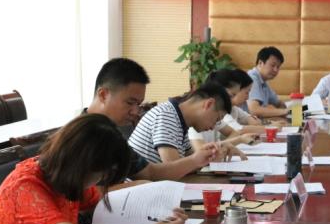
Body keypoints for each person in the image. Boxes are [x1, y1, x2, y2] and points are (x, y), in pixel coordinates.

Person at [0, 114, 184, 224]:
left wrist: (157, 207)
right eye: (102, 174)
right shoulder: (25, 188)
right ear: (82, 166)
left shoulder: (63, 173)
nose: (102, 180)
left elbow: (100, 199)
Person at [85, 58, 219, 181]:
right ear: (103, 95)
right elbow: (88, 194)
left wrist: (197, 159)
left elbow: (150, 172)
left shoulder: (114, 136)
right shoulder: (81, 136)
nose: (135, 111)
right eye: (130, 102)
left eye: (138, 104)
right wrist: (138, 186)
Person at [129, 81, 232, 164]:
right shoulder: (166, 115)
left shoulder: (180, 121)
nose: (213, 127)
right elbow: (172, 167)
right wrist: (206, 159)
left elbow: (189, 159)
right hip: (137, 183)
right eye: (216, 119)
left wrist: (215, 152)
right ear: (208, 104)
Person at [188, 69, 261, 152]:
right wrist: (238, 140)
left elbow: (235, 133)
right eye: (231, 95)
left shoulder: (215, 114)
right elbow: (202, 153)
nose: (230, 100)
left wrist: (222, 145)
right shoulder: (197, 118)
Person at [246, 46, 288, 119]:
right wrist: (284, 111)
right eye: (273, 65)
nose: (275, 70)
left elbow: (279, 103)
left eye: (278, 67)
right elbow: (254, 110)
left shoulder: (263, 82)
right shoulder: (251, 78)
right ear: (260, 63)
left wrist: (288, 110)